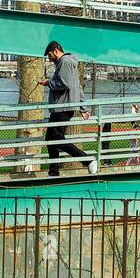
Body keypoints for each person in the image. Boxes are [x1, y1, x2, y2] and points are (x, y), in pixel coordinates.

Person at [38, 41, 99, 177]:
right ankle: (53, 171)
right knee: (51, 138)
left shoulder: (64, 62)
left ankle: (87, 160)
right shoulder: (69, 63)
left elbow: (64, 84)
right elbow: (77, 86)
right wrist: (83, 107)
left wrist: (48, 83)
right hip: (63, 107)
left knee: (57, 138)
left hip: (62, 107)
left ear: (55, 50)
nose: (49, 58)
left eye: (49, 55)